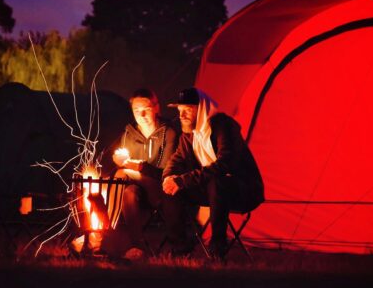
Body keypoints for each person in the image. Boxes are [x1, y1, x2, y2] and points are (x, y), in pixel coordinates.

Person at [162, 87, 264, 261]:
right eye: (180, 110)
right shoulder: (188, 136)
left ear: (201, 108)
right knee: (171, 189)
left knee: (217, 183)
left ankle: (217, 247)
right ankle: (180, 246)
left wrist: (183, 180)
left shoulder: (223, 126)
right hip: (212, 191)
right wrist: (169, 178)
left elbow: (225, 164)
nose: (182, 115)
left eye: (187, 110)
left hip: (242, 189)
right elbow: (175, 160)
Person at [100, 88, 179, 258]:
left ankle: (106, 229)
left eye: (146, 109)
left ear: (156, 108)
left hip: (161, 190)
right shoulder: (129, 134)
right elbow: (113, 161)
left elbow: (166, 172)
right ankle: (138, 247)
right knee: (128, 191)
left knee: (122, 173)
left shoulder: (169, 133)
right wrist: (117, 160)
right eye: (136, 110)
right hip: (137, 191)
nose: (141, 115)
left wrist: (140, 167)